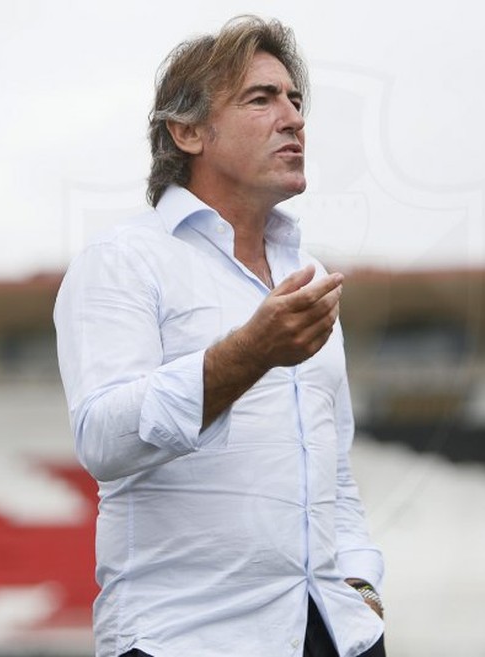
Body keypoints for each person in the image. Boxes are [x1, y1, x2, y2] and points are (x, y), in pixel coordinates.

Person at [55, 15, 385, 657]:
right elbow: (101, 439)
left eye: (295, 100)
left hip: (338, 633)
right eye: (261, 99)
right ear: (187, 131)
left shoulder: (309, 275)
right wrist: (250, 353)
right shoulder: (122, 261)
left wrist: (361, 586)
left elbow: (333, 464)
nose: (293, 118)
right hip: (188, 638)